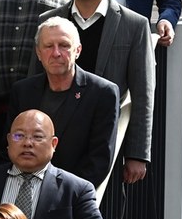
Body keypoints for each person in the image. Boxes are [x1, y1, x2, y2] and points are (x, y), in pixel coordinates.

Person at [37, 0, 154, 183]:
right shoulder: (50, 20)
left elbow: (143, 93)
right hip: (56, 134)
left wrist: (137, 154)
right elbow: (34, 82)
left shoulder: (134, 24)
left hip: (105, 137)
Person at [10, 15, 121, 188]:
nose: (56, 53)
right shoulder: (22, 91)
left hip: (73, 197)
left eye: (64, 45)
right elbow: (11, 145)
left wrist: (62, 194)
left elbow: (99, 160)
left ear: (78, 50)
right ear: (38, 53)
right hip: (24, 189)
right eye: (48, 46)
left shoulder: (103, 93)